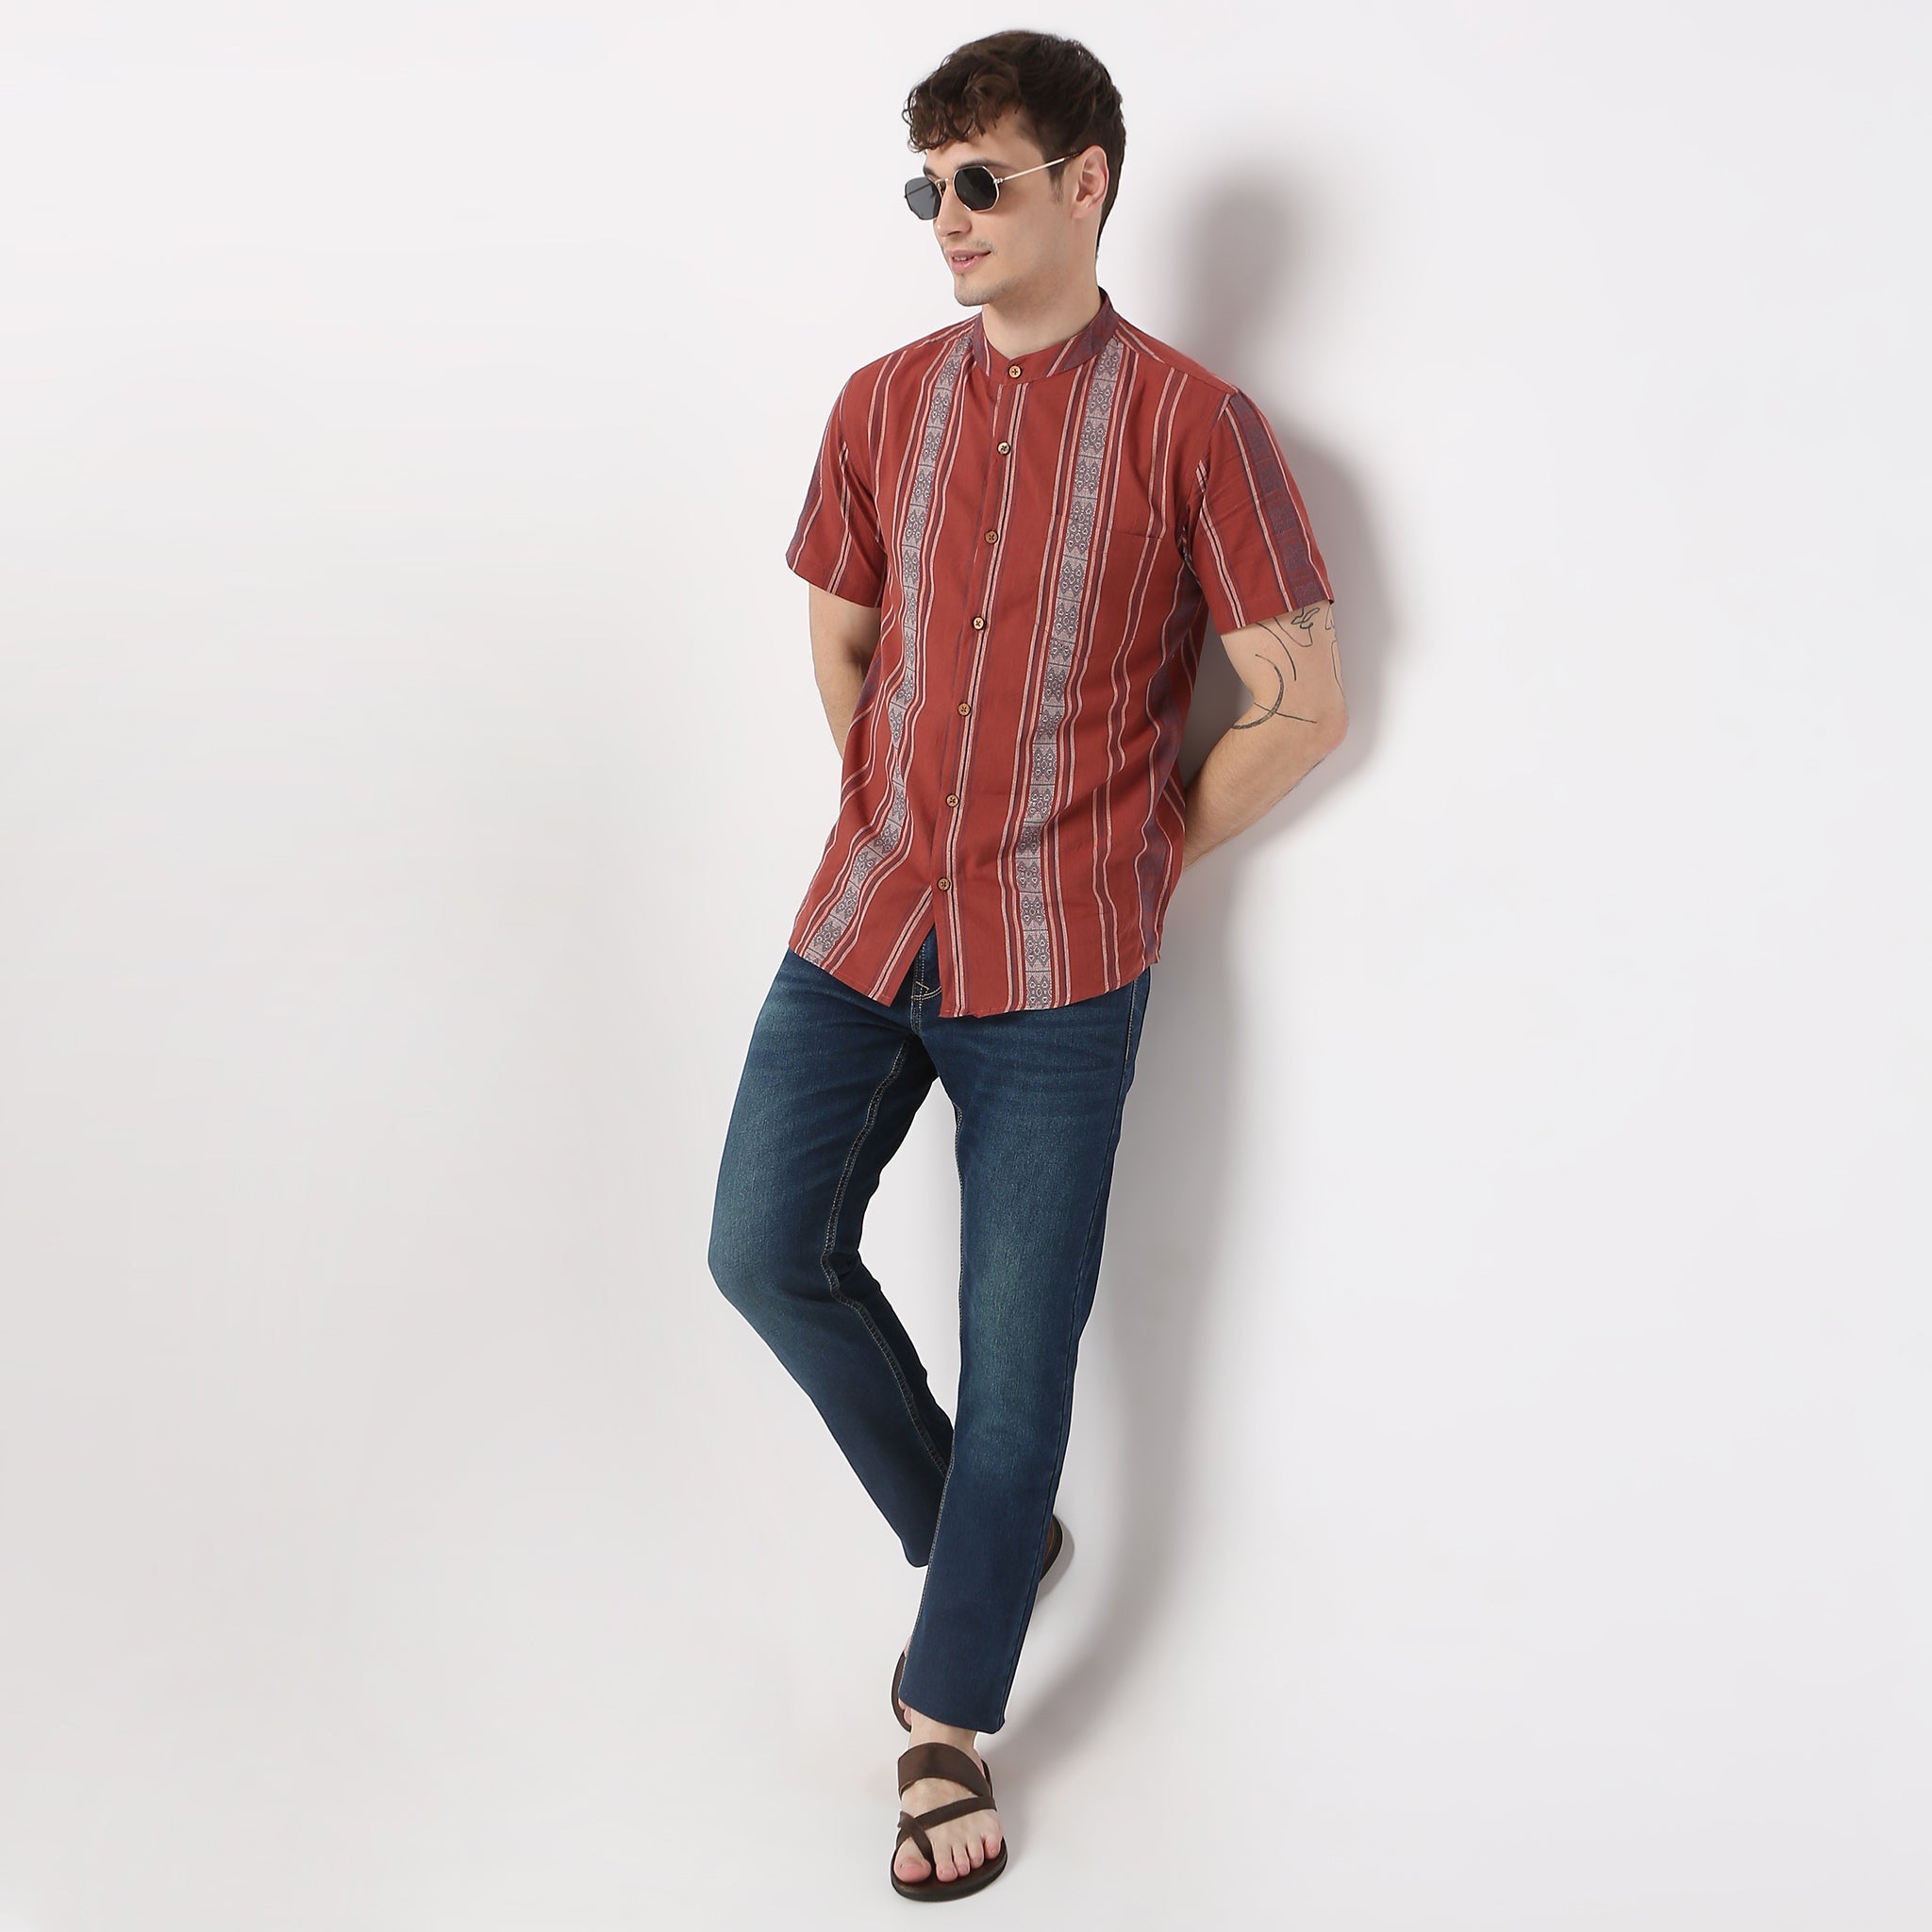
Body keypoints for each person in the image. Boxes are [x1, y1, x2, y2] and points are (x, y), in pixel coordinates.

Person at [707, 28, 1345, 1902]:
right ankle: (987, 1537)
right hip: (863, 923)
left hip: (1063, 967)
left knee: (1020, 1360)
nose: (950, 219)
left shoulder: (1198, 425)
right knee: (759, 1248)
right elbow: (843, 639)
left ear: (1087, 182)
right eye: (929, 187)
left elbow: (1301, 703)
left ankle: (944, 1718)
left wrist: (1135, 855)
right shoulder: (880, 402)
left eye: (981, 180)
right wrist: (898, 815)